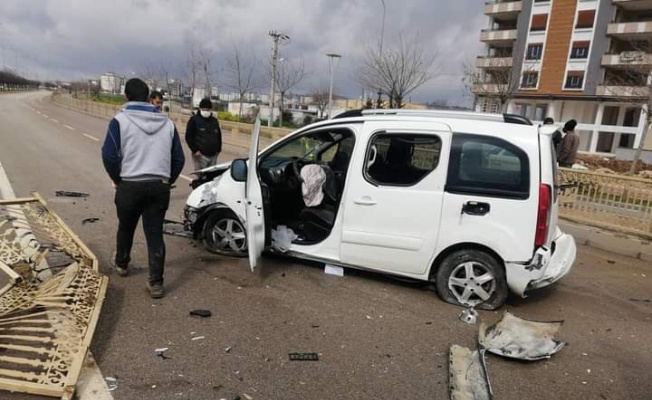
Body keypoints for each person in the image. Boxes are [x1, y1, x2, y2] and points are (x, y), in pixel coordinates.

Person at [101, 78, 185, 299]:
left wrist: (118, 179)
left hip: (130, 184)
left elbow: (109, 156)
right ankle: (156, 283)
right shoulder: (167, 123)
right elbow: (179, 159)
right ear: (149, 98)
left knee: (126, 227)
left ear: (126, 97)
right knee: (155, 233)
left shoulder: (119, 121)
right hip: (159, 187)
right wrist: (167, 179)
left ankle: (122, 264)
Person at [185, 97, 222, 171]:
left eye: (208, 110)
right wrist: (195, 150)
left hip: (213, 155)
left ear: (211, 110)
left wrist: (218, 149)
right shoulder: (194, 120)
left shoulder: (214, 121)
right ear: (200, 108)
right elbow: (188, 137)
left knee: (211, 176)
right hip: (200, 155)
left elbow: (219, 136)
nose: (206, 111)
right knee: (201, 177)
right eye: (204, 109)